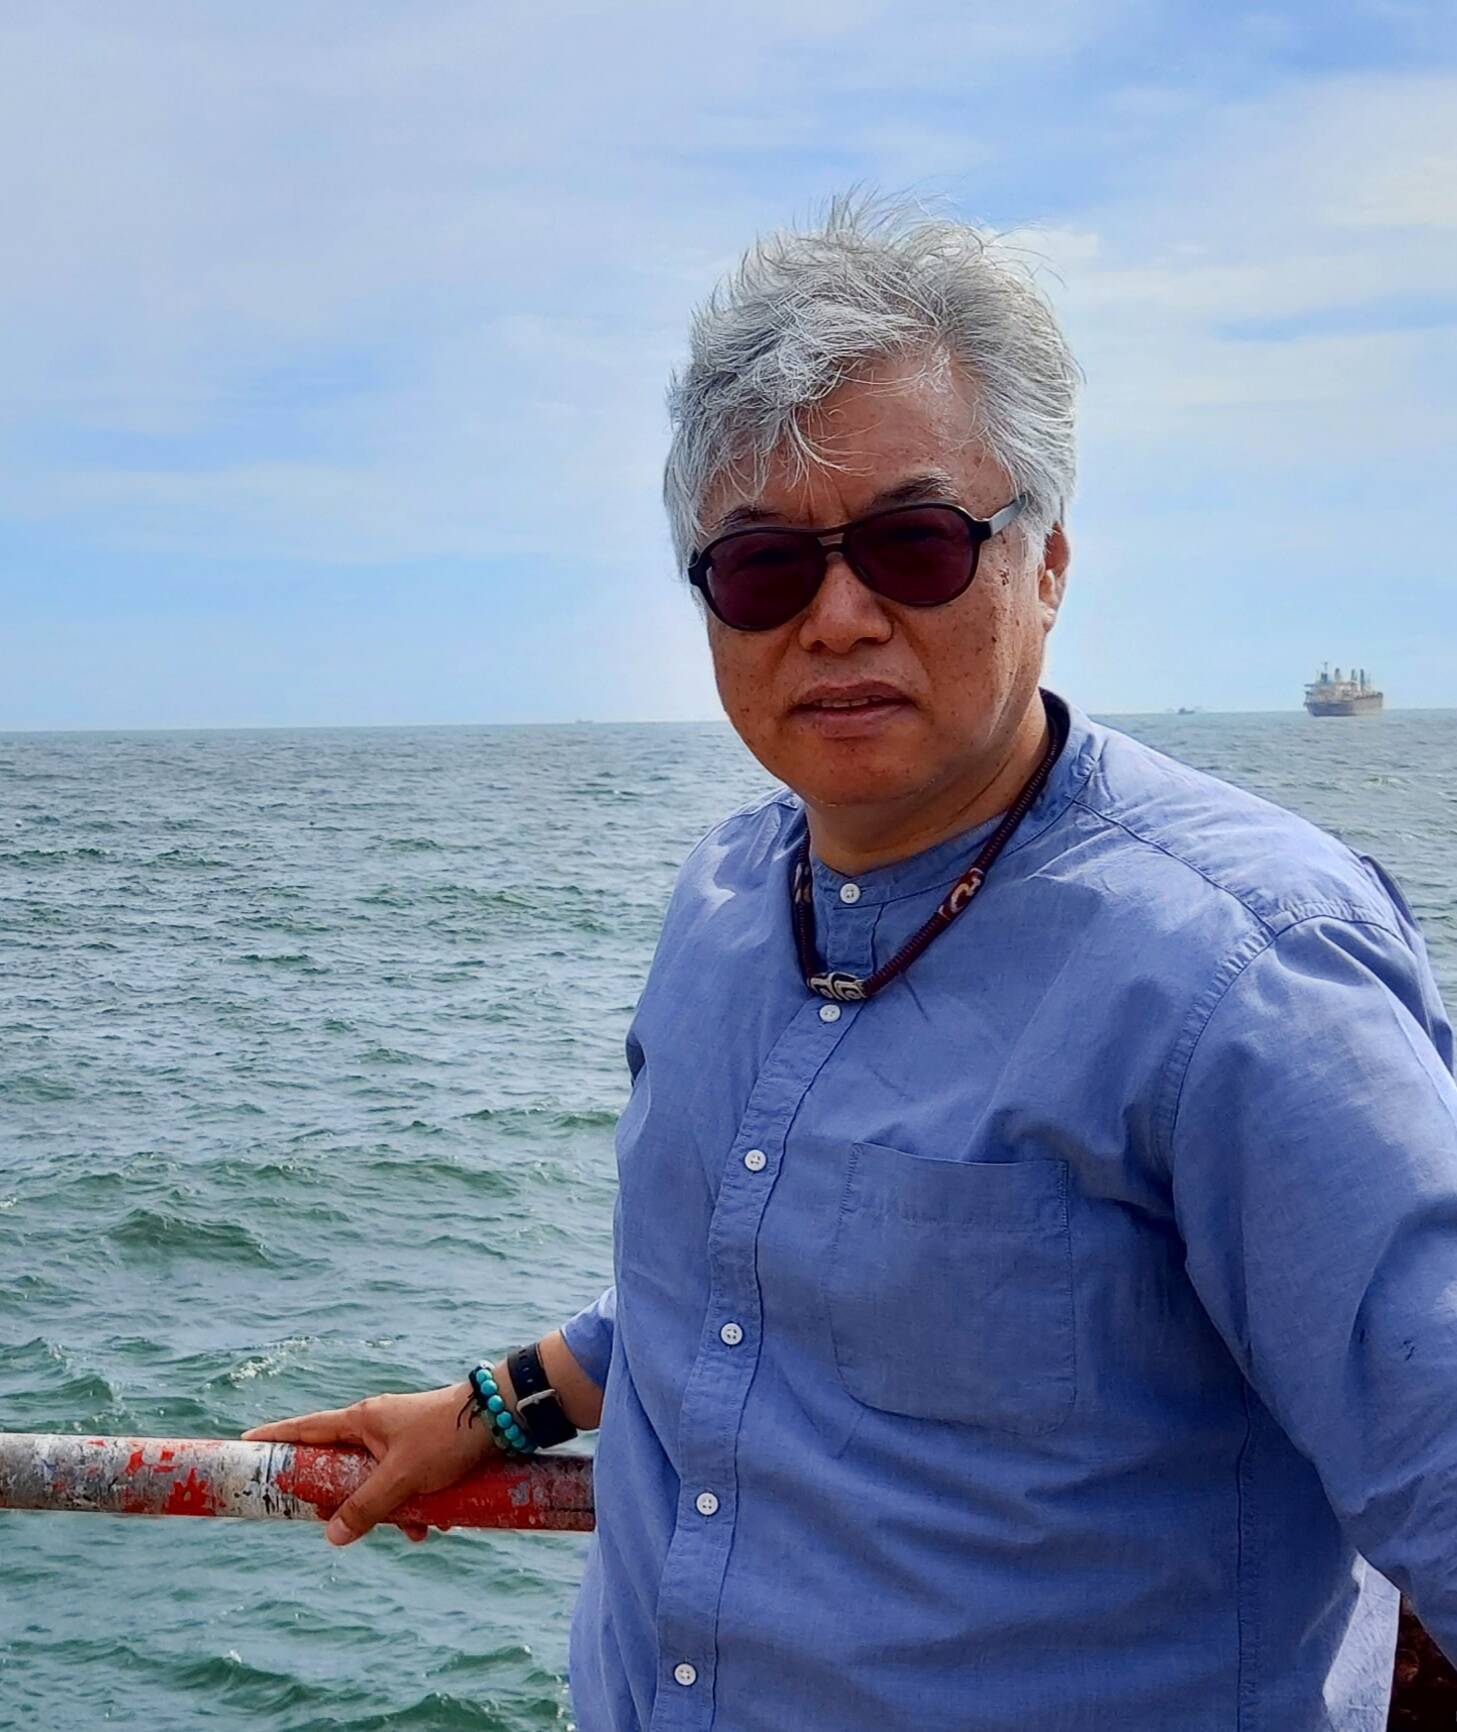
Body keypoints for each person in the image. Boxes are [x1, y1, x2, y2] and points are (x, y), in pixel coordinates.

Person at [244, 198, 1457, 1732]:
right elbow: (735, 1282)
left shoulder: (1245, 970)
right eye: (763, 566)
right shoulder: (725, 904)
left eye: (910, 544)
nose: (834, 618)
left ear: (1044, 563)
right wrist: (501, 1404)